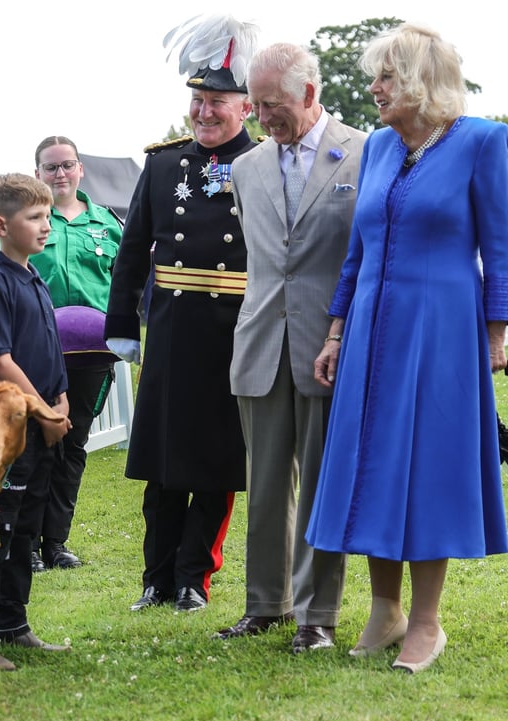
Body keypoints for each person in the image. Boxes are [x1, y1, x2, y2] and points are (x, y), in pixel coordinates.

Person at [305, 23, 508, 673]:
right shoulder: (380, 149)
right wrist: (335, 331)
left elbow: (501, 246)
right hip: (370, 329)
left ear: (422, 80)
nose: (375, 88)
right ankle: (385, 611)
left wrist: (498, 330)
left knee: (426, 469)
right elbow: (357, 251)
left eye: (387, 76)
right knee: (373, 463)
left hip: (443, 330)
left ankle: (426, 623)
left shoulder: (483, 142)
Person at [213, 44, 367, 653]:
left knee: (322, 486)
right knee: (266, 481)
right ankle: (265, 604)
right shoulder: (247, 166)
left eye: (273, 105)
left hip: (328, 345)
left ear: (309, 93)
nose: (261, 116)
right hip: (259, 343)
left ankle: (317, 614)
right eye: (256, 103)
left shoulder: (365, 150)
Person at [104, 14, 259, 613]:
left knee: (217, 464)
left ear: (244, 107)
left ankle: (195, 576)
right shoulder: (164, 165)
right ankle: (156, 575)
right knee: (163, 463)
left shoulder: (262, 164)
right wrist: (122, 326)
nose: (204, 113)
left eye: (217, 102)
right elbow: (132, 252)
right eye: (197, 101)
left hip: (233, 333)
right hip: (171, 332)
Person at [0, 173, 72, 672]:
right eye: (35, 218)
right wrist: (42, 410)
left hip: (41, 420)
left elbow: (49, 349)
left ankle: (13, 624)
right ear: (1, 225)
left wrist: (61, 397)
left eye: (48, 215)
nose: (46, 226)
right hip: (10, 430)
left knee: (25, 530)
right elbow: (0, 360)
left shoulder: (32, 275)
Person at [28, 136, 123, 572]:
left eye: (67, 165)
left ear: (80, 169)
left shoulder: (107, 225)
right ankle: (25, 542)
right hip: (34, 355)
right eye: (51, 168)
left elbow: (129, 285)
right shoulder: (26, 221)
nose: (60, 174)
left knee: (72, 444)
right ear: (38, 174)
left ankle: (56, 543)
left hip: (91, 355)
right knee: (33, 446)